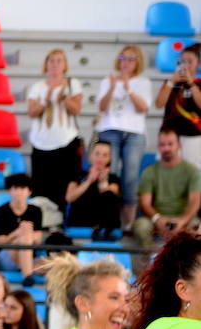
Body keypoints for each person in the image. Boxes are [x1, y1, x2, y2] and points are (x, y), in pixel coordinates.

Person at [96, 45, 152, 225]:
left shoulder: (143, 82)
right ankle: (108, 219)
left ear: (138, 63)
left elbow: (143, 108)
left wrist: (128, 89)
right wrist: (113, 88)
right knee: (108, 175)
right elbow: (102, 108)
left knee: (130, 178)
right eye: (123, 58)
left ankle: (127, 224)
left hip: (134, 134)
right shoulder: (108, 80)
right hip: (109, 130)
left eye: (131, 59)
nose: (126, 63)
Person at [27, 49, 85, 210]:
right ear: (46, 64)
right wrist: (45, 101)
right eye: (51, 60)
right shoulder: (37, 87)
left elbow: (76, 109)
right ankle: (41, 219)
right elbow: (32, 112)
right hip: (41, 143)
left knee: (64, 183)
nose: (55, 64)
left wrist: (64, 98)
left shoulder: (73, 84)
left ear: (65, 65)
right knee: (40, 184)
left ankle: (60, 220)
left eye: (59, 61)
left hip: (66, 141)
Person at [132, 125, 201, 251]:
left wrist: (182, 221)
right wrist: (157, 219)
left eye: (170, 144)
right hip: (158, 218)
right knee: (141, 226)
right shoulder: (150, 171)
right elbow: (145, 203)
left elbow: (195, 201)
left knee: (197, 228)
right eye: (162, 144)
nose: (166, 148)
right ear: (158, 147)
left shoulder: (192, 171)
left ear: (179, 145)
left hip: (184, 218)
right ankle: (150, 263)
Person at [154, 42, 200, 168]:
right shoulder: (169, 83)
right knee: (166, 173)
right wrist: (171, 83)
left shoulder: (199, 84)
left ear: (198, 64)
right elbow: (159, 104)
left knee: (193, 173)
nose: (186, 65)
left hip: (193, 136)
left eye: (190, 61)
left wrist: (191, 84)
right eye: (182, 61)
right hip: (168, 136)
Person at [0, 174, 45, 283]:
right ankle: (28, 273)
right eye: (15, 188)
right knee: (22, 237)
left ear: (29, 192)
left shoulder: (35, 211)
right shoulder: (1, 211)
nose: (19, 192)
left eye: (22, 188)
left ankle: (28, 271)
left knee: (25, 237)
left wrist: (26, 234)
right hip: (6, 255)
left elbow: (39, 238)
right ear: (9, 191)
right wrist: (16, 233)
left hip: (29, 255)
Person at [66, 140, 125, 237]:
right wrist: (89, 181)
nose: (100, 158)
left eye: (105, 155)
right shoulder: (77, 175)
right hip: (80, 221)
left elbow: (111, 197)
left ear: (109, 159)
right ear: (90, 156)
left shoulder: (114, 178)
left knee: (109, 195)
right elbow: (69, 198)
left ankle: (103, 231)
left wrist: (103, 182)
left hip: (104, 225)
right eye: (97, 153)